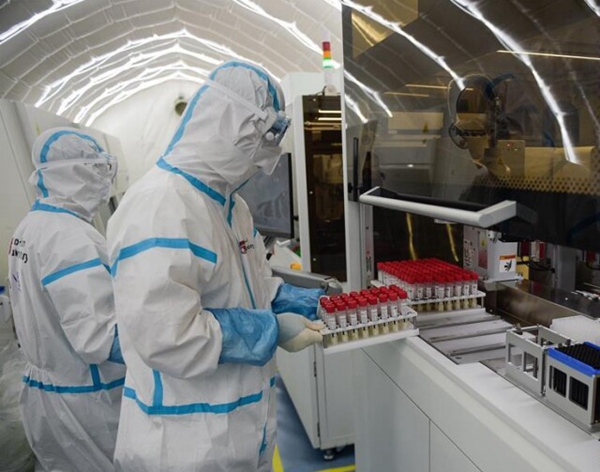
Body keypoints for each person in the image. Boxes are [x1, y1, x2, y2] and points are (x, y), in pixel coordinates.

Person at [107, 61, 324, 471]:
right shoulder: (161, 205)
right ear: (229, 125)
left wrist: (303, 302)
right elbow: (169, 335)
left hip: (241, 427)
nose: (265, 162)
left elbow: (255, 283)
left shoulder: (231, 206)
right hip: (184, 442)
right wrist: (270, 329)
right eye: (261, 142)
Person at [7, 128, 126, 472]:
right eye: (97, 169)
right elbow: (98, 338)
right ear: (72, 173)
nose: (104, 181)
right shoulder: (71, 238)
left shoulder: (30, 226)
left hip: (47, 393)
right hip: (89, 402)